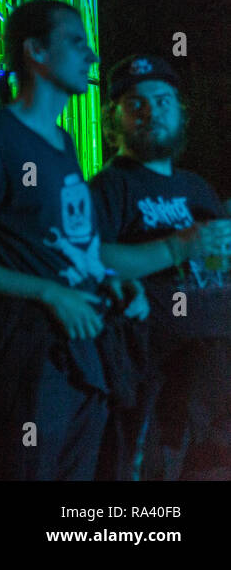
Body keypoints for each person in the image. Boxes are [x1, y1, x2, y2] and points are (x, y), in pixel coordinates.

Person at [0, 0, 231, 480]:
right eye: (76, 42)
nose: (90, 56)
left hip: (80, 353)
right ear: (36, 52)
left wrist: (107, 280)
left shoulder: (62, 144)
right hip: (24, 351)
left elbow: (67, 248)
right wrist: (48, 291)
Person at [90, 54, 231, 480]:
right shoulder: (108, 188)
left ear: (180, 112)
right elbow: (89, 259)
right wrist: (176, 247)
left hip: (216, 363)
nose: (151, 111)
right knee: (151, 467)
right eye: (136, 104)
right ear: (114, 118)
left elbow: (215, 258)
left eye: (163, 100)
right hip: (150, 366)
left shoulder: (195, 187)